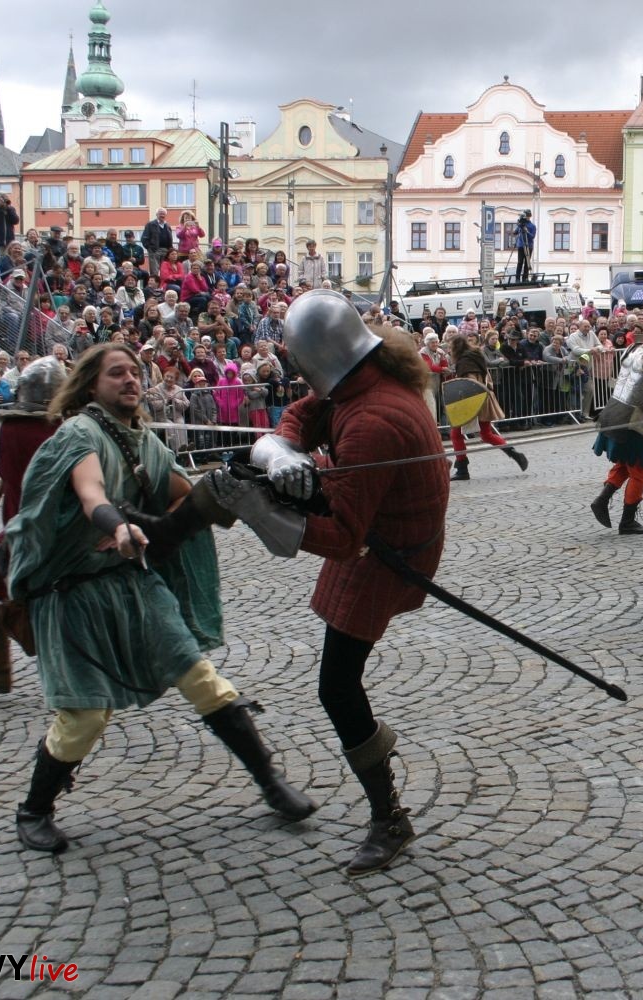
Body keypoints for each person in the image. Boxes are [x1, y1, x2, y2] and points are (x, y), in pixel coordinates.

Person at [140, 291, 450, 876]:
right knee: (243, 472)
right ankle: (165, 536)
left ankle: (389, 817)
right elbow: (304, 415)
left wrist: (258, 506)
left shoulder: (373, 418)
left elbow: (342, 538)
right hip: (371, 527)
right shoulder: (361, 380)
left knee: (337, 687)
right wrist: (281, 454)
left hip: (385, 553)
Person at [2, 343, 314, 853]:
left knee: (202, 679)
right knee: (86, 717)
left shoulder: (144, 442)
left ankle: (270, 782)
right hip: (73, 593)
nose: (130, 379)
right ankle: (34, 809)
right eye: (116, 373)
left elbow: (181, 496)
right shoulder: (80, 433)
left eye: (134, 372)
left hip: (131, 584)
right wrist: (119, 526)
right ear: (91, 384)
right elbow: (91, 494)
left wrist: (220, 497)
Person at [0, 358, 66, 694]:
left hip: (23, 533)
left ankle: (1, 669)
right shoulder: (71, 428)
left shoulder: (6, 431)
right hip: (71, 529)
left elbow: (1, 456)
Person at [590, 317, 643, 534]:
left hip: (614, 408)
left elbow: (638, 386)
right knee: (641, 469)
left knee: (625, 462)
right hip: (629, 417)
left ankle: (601, 500)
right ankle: (628, 521)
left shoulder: (635, 348)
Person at [447, 335, 527, 481]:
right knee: (486, 434)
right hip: (484, 397)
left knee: (456, 434)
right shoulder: (476, 357)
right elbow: (486, 379)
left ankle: (462, 469)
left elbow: (470, 383)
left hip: (472, 400)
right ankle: (514, 453)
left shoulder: (464, 362)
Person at [514, 209, 536, 283]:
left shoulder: (532, 226)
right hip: (521, 245)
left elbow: (532, 236)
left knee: (527, 262)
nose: (525, 217)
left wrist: (527, 231)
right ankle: (517, 279)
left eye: (526, 216)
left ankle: (525, 278)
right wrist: (519, 225)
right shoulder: (521, 224)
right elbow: (515, 232)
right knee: (520, 262)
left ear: (529, 216)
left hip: (529, 246)